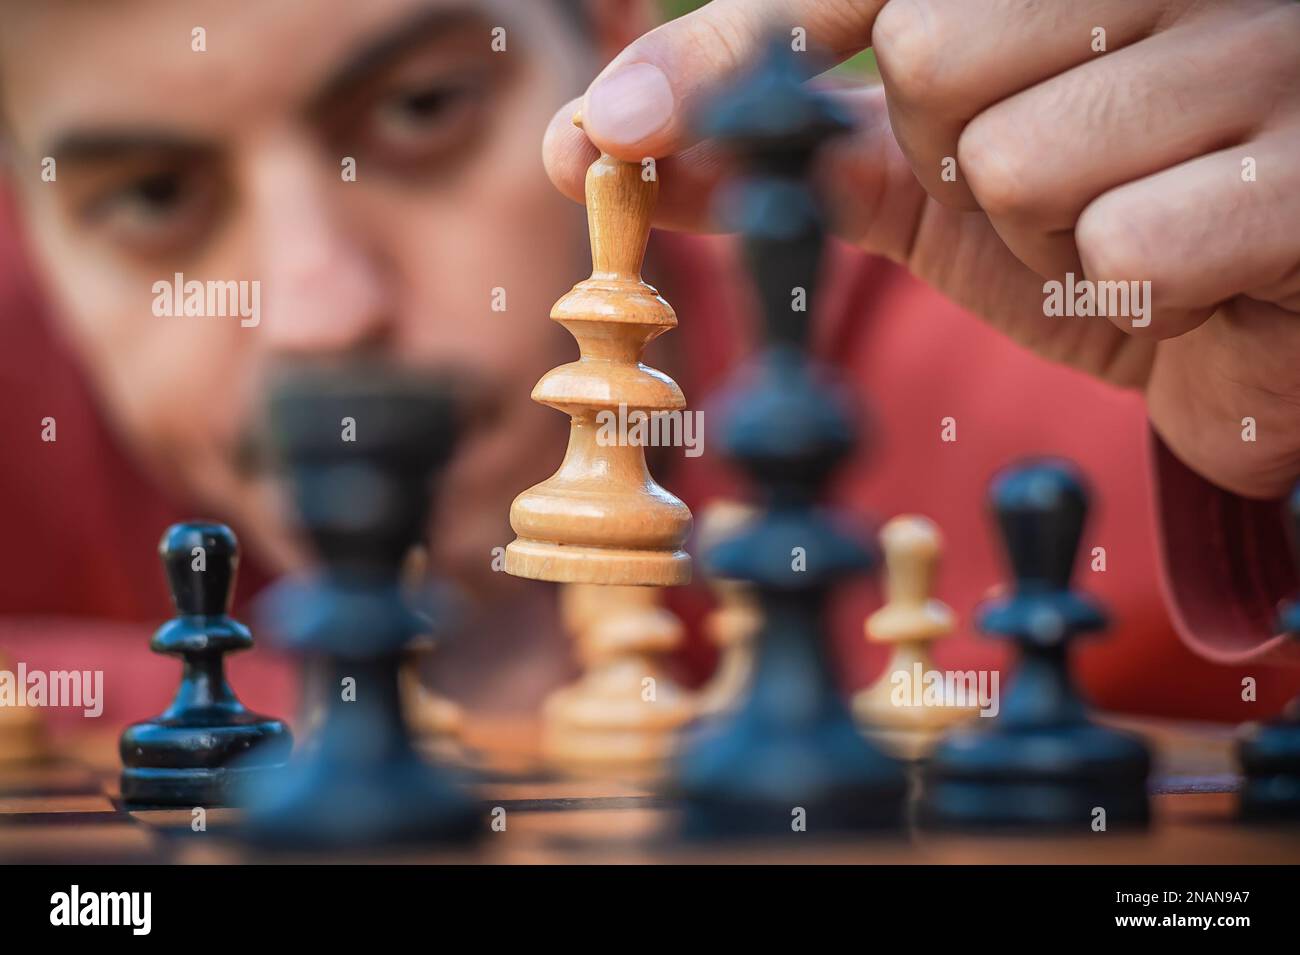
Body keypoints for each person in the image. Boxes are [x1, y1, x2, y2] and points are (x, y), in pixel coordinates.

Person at [0, 0, 1297, 729]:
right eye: (151, 192)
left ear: (614, 57)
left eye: (420, 110)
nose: (319, 312)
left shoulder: (1107, 331)